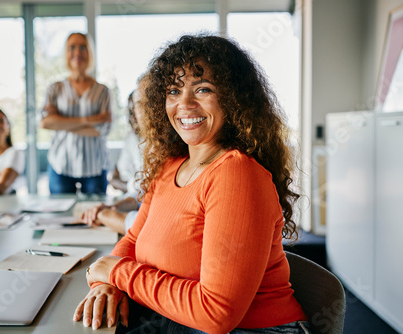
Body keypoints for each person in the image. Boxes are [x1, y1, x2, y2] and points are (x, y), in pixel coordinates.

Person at [73, 34, 311, 334]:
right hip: (177, 318)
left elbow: (216, 314)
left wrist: (119, 273)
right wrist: (107, 285)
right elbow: (133, 240)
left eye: (203, 89)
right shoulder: (170, 165)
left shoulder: (237, 174)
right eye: (174, 90)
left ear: (233, 98)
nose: (184, 103)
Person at [40, 32, 112, 195]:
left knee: (94, 216)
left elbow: (104, 129)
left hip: (95, 165)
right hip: (61, 164)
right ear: (66, 53)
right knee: (61, 218)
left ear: (90, 52)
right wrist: (91, 119)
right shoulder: (55, 89)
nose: (77, 52)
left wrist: (61, 123)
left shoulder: (103, 91)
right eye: (72, 47)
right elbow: (45, 123)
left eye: (83, 47)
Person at [81, 81, 147, 234]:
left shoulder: (172, 149)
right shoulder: (133, 138)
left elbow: (147, 226)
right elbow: (143, 195)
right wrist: (113, 207)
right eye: (138, 105)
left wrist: (105, 215)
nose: (145, 110)